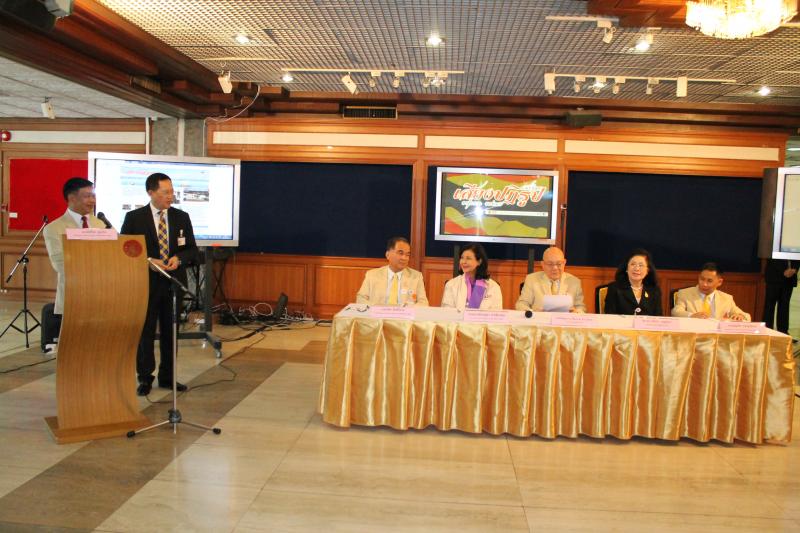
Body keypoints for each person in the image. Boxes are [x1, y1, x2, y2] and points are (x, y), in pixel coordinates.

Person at [120, 173, 198, 397]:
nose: (170, 196)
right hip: (146, 283)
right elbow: (126, 250)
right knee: (145, 332)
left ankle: (167, 377)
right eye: (165, 192)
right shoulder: (134, 218)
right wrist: (148, 261)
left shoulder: (181, 217)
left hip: (173, 283)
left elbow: (192, 249)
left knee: (170, 331)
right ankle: (145, 378)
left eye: (172, 192)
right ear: (151, 193)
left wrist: (179, 259)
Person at [43, 177, 106, 316]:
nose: (92, 201)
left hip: (102, 296)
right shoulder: (54, 228)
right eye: (87, 196)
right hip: (72, 297)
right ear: (72, 198)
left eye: (93, 196)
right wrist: (96, 268)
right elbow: (60, 264)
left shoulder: (101, 224)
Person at [356, 236, 428, 306]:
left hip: (404, 314)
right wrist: (377, 308)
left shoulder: (416, 277)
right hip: (379, 313)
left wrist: (407, 309)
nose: (404, 258)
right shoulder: (372, 275)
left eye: (407, 255)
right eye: (400, 253)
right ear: (387, 255)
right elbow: (360, 298)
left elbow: (424, 303)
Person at [515, 246, 586, 312]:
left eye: (559, 264)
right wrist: (534, 313)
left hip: (564, 320)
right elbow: (521, 304)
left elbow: (581, 307)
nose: (555, 268)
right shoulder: (532, 279)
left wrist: (576, 312)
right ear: (542, 264)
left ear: (564, 263)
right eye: (550, 264)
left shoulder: (574, 282)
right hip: (540, 320)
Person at [671, 263, 750, 321]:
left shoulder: (726, 298)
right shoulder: (685, 293)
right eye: (702, 279)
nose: (704, 284)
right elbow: (676, 312)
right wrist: (692, 315)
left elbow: (746, 316)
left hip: (717, 336)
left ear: (719, 282)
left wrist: (740, 316)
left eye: (709, 281)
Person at [441, 243, 503, 311]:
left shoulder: (493, 287)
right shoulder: (451, 284)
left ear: (479, 261)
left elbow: (496, 313)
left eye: (468, 258)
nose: (463, 262)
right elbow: (446, 312)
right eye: (462, 258)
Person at [603, 248, 662, 316]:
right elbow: (610, 317)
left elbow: (658, 317)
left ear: (647, 270)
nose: (637, 268)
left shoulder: (654, 290)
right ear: (626, 268)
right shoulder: (614, 288)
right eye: (633, 264)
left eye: (641, 265)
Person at [763, 258, 796, 334]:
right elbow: (769, 255)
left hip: (789, 279)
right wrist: (783, 270)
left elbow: (797, 255)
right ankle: (767, 332)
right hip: (774, 276)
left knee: (784, 306)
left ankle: (783, 333)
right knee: (769, 306)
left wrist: (794, 269)